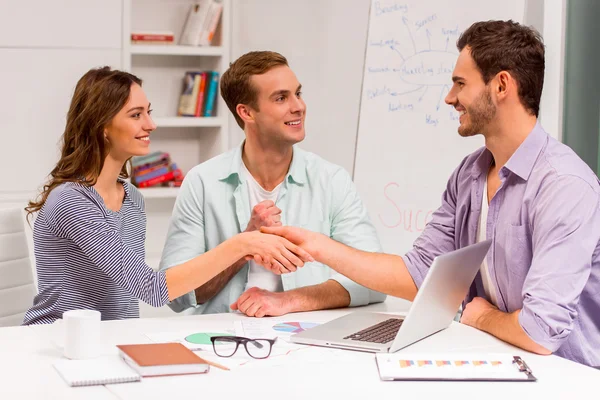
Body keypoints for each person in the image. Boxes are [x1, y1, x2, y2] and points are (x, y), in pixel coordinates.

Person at [263, 20, 600, 367]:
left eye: (460, 83)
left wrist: (480, 316)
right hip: (498, 363)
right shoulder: (470, 175)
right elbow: (419, 275)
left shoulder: (565, 187)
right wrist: (317, 246)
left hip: (565, 377)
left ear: (501, 85)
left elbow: (540, 331)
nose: (450, 97)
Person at [22, 67, 311, 325]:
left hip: (112, 340)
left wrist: (245, 245)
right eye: (136, 115)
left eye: (148, 112)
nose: (151, 124)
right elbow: (153, 289)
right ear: (103, 127)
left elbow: (128, 299)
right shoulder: (71, 201)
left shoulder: (132, 198)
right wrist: (242, 243)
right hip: (58, 342)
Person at [159, 51, 386, 317]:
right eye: (281, 98)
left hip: (306, 339)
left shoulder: (331, 180)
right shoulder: (202, 182)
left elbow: (375, 281)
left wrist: (290, 300)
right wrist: (243, 245)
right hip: (221, 341)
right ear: (246, 112)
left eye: (298, 94)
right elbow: (173, 294)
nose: (298, 106)